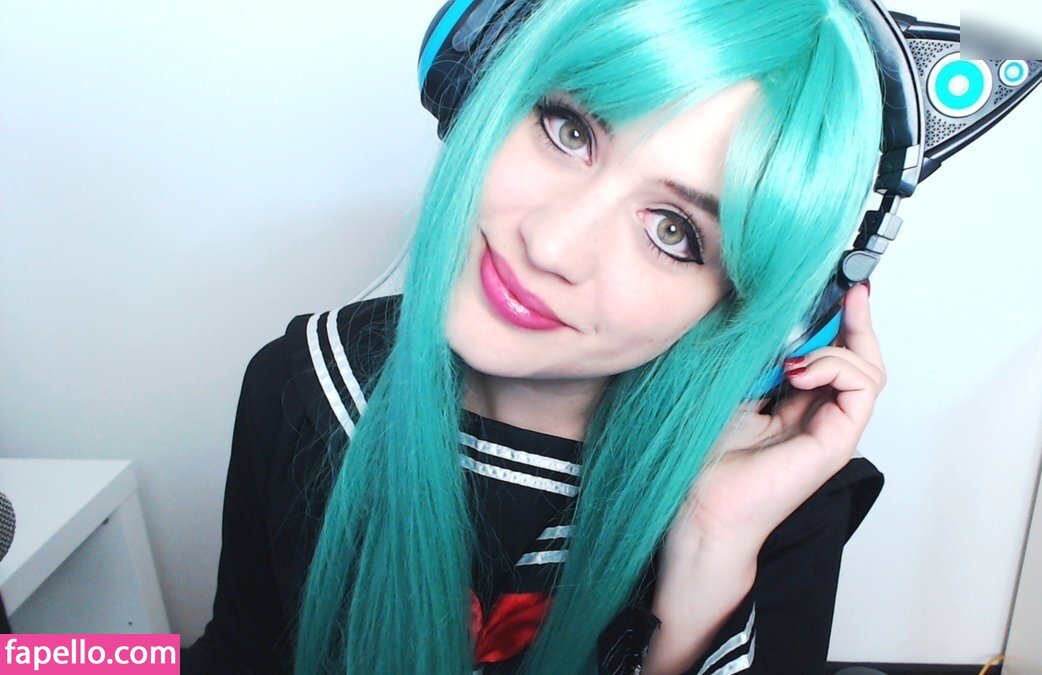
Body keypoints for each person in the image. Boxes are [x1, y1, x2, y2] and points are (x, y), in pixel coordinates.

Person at [182, 0, 888, 672]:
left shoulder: (775, 494)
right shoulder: (304, 383)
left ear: (768, 319)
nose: (551, 245)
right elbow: (239, 657)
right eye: (569, 130)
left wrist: (711, 546)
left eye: (673, 231)